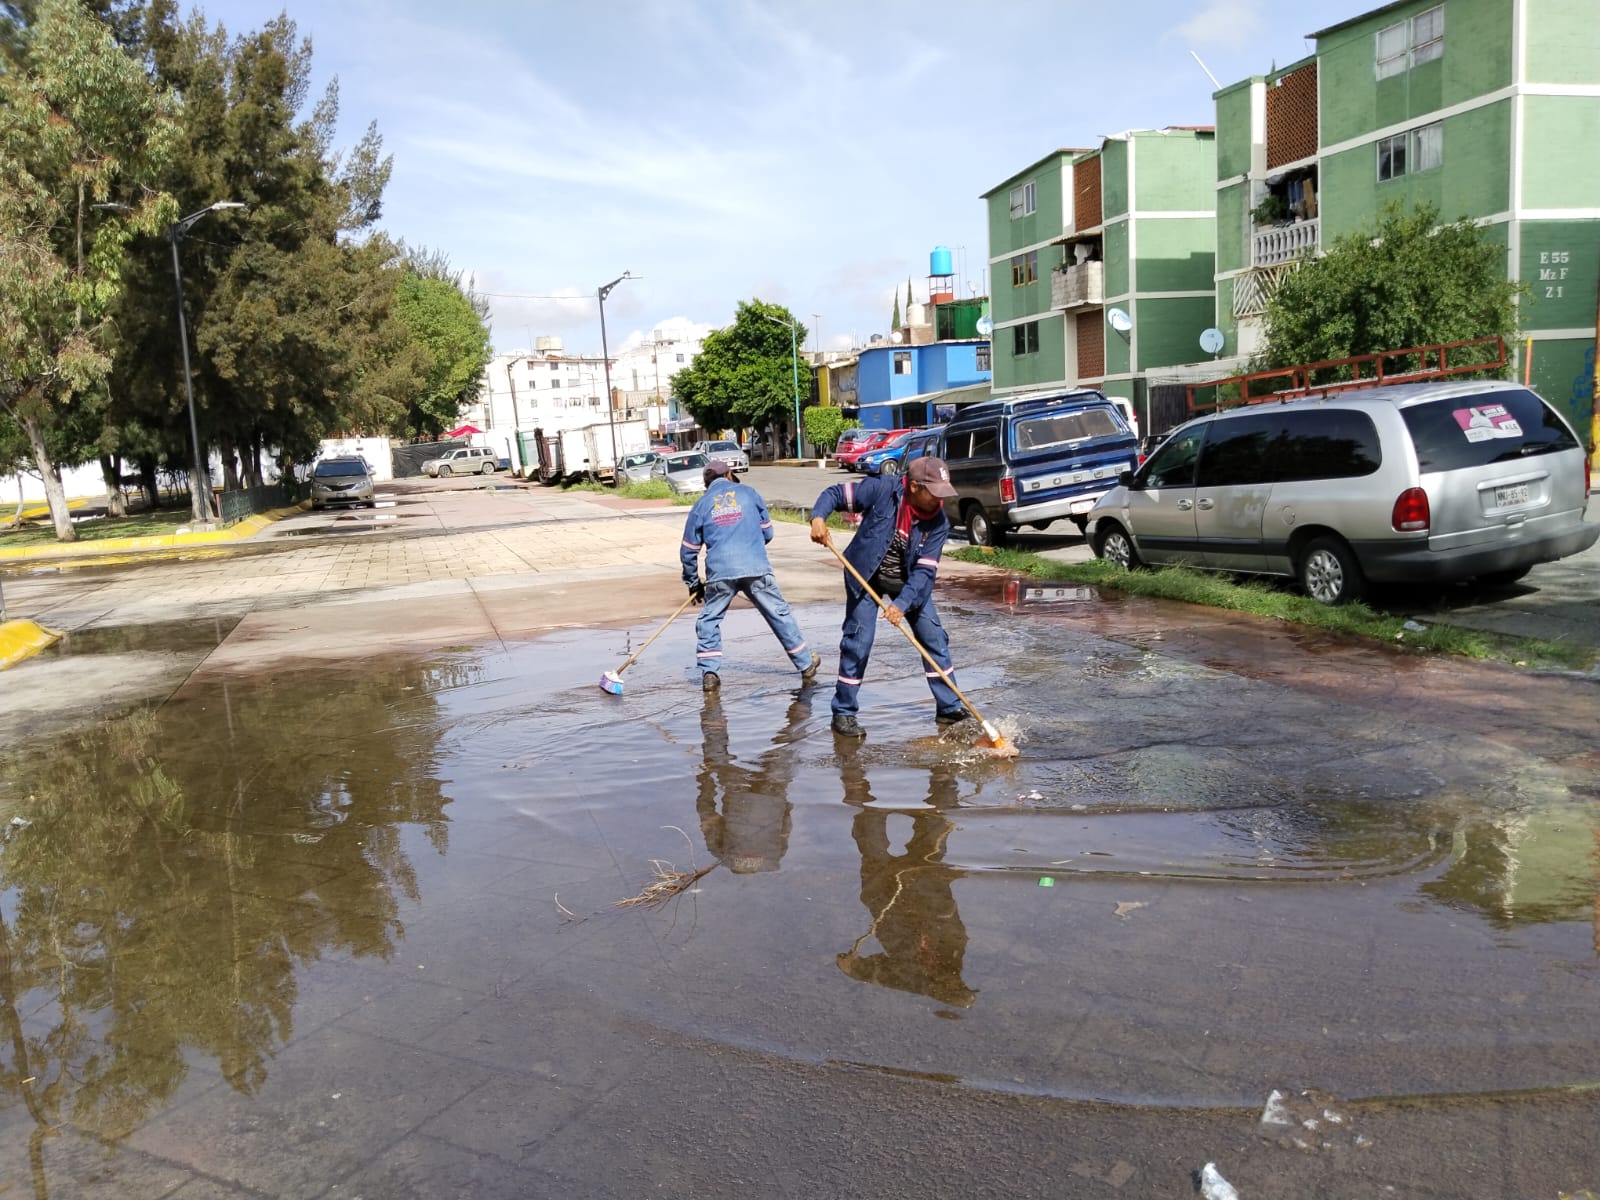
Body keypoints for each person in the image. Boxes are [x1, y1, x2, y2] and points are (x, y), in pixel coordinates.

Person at [808, 455, 965, 737]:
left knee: (934, 637)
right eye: (934, 492)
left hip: (908, 582)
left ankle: (949, 706)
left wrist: (902, 605)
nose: (939, 500)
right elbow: (835, 494)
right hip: (865, 574)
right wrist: (818, 517)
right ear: (914, 487)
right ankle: (843, 712)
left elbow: (924, 573)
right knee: (859, 641)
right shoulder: (882, 490)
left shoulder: (938, 522)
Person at [681, 459, 822, 691]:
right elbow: (768, 533)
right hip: (755, 567)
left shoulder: (701, 505)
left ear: (707, 483)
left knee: (709, 619)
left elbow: (688, 550)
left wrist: (693, 583)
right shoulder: (749, 493)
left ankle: (710, 673)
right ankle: (806, 663)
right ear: (729, 475)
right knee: (778, 613)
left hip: (720, 573)